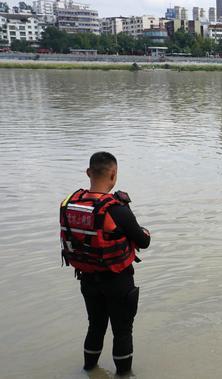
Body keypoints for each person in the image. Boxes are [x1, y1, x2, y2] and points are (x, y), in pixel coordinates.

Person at [59, 152, 150, 375]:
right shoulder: (117, 209)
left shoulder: (69, 205)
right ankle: (124, 375)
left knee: (95, 326)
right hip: (118, 281)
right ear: (113, 174)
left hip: (88, 280)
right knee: (122, 331)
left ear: (89, 173)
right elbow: (143, 241)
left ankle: (89, 370)